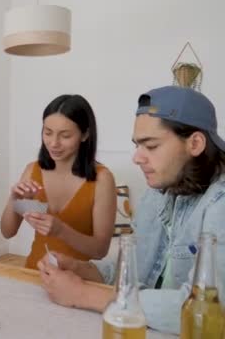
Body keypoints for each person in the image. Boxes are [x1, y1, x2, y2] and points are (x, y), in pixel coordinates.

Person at [37, 86, 225, 334]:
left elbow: (209, 309)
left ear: (196, 143)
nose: (137, 157)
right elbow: (128, 270)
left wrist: (84, 294)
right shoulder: (158, 193)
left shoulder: (219, 202)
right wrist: (83, 269)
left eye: (151, 146)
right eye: (138, 145)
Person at [1, 94, 117, 269]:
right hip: (34, 272)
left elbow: (100, 250)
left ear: (85, 134)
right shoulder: (32, 170)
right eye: (48, 133)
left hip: (79, 281)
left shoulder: (102, 179)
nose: (53, 143)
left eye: (65, 135)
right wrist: (14, 199)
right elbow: (7, 232)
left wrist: (61, 231)